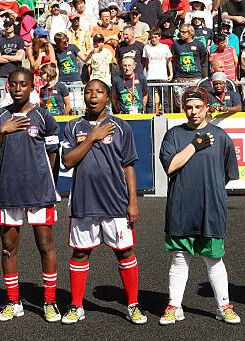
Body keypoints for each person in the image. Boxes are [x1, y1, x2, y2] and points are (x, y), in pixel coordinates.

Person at [60, 79, 148, 325]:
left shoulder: (121, 127)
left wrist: (133, 202)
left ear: (108, 97)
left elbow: (129, 165)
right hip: (83, 202)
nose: (93, 96)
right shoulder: (73, 126)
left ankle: (133, 305)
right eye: (88, 92)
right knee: (80, 253)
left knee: (125, 252)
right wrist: (92, 137)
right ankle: (76, 306)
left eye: (99, 92)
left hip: (116, 203)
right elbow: (68, 161)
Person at [0, 68, 62, 323]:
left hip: (39, 192)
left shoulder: (43, 116)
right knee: (8, 249)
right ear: (7, 87)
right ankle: (12, 301)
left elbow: (53, 155)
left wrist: (49, 184)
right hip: (8, 191)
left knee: (46, 246)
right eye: (13, 84)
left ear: (31, 87)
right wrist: (2, 132)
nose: (18, 88)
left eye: (23, 84)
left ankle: (49, 301)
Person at [158, 86, 240, 325]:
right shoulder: (173, 135)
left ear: (207, 108)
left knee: (214, 260)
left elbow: (225, 175)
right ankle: (174, 306)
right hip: (180, 208)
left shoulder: (221, 137)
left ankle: (223, 306)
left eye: (198, 107)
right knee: (179, 259)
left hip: (211, 209)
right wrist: (195, 145)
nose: (193, 112)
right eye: (188, 107)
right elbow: (171, 166)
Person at [142, 27, 172, 114]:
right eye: (152, 37)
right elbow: (145, 62)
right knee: (150, 102)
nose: (153, 39)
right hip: (150, 76)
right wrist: (145, 74)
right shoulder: (146, 47)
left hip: (162, 76)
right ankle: (149, 118)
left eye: (155, 37)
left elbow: (168, 61)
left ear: (159, 37)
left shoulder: (165, 47)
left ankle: (168, 118)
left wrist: (171, 74)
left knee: (165, 101)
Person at [0, 18, 26, 98]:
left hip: (16, 74)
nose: (7, 27)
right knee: (3, 100)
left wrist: (4, 56)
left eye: (9, 25)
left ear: (13, 26)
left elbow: (19, 58)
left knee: (16, 97)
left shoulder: (19, 40)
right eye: (6, 25)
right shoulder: (0, 41)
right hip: (3, 75)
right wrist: (13, 57)